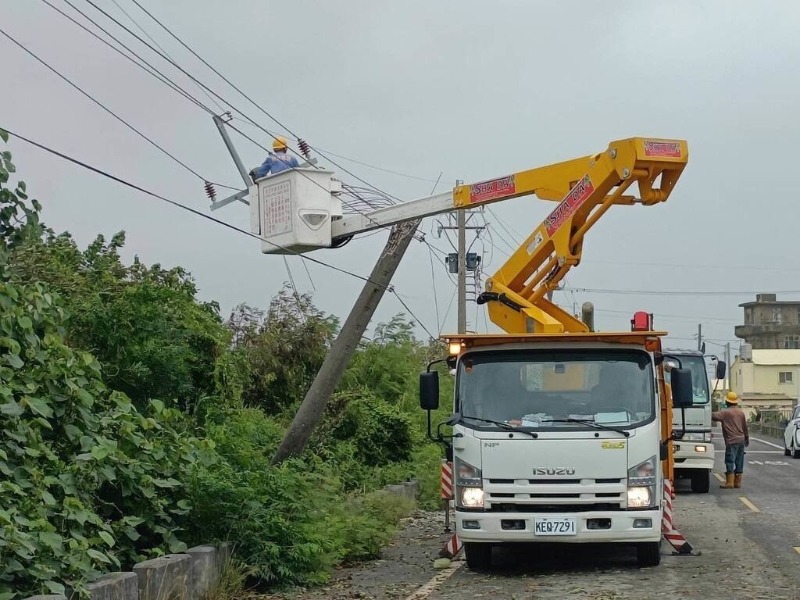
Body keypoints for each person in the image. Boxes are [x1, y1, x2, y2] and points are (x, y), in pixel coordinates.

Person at [712, 392, 749, 489]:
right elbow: (745, 427)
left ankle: (729, 482)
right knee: (739, 460)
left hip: (732, 440)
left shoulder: (725, 413)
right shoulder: (741, 412)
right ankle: (738, 482)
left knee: (730, 460)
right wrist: (747, 439)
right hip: (741, 439)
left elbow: (713, 416)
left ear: (727, 401)